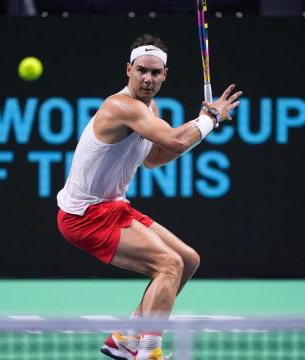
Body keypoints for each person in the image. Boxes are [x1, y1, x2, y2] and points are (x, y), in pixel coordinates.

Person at [56, 34, 242, 360]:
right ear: (128, 69)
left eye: (156, 73)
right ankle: (148, 352)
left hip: (112, 207)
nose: (148, 78)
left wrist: (203, 125)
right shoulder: (121, 106)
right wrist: (209, 119)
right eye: (142, 70)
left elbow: (155, 158)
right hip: (84, 216)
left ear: (164, 75)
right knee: (168, 265)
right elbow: (176, 140)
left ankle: (125, 338)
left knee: (187, 261)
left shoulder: (149, 108)